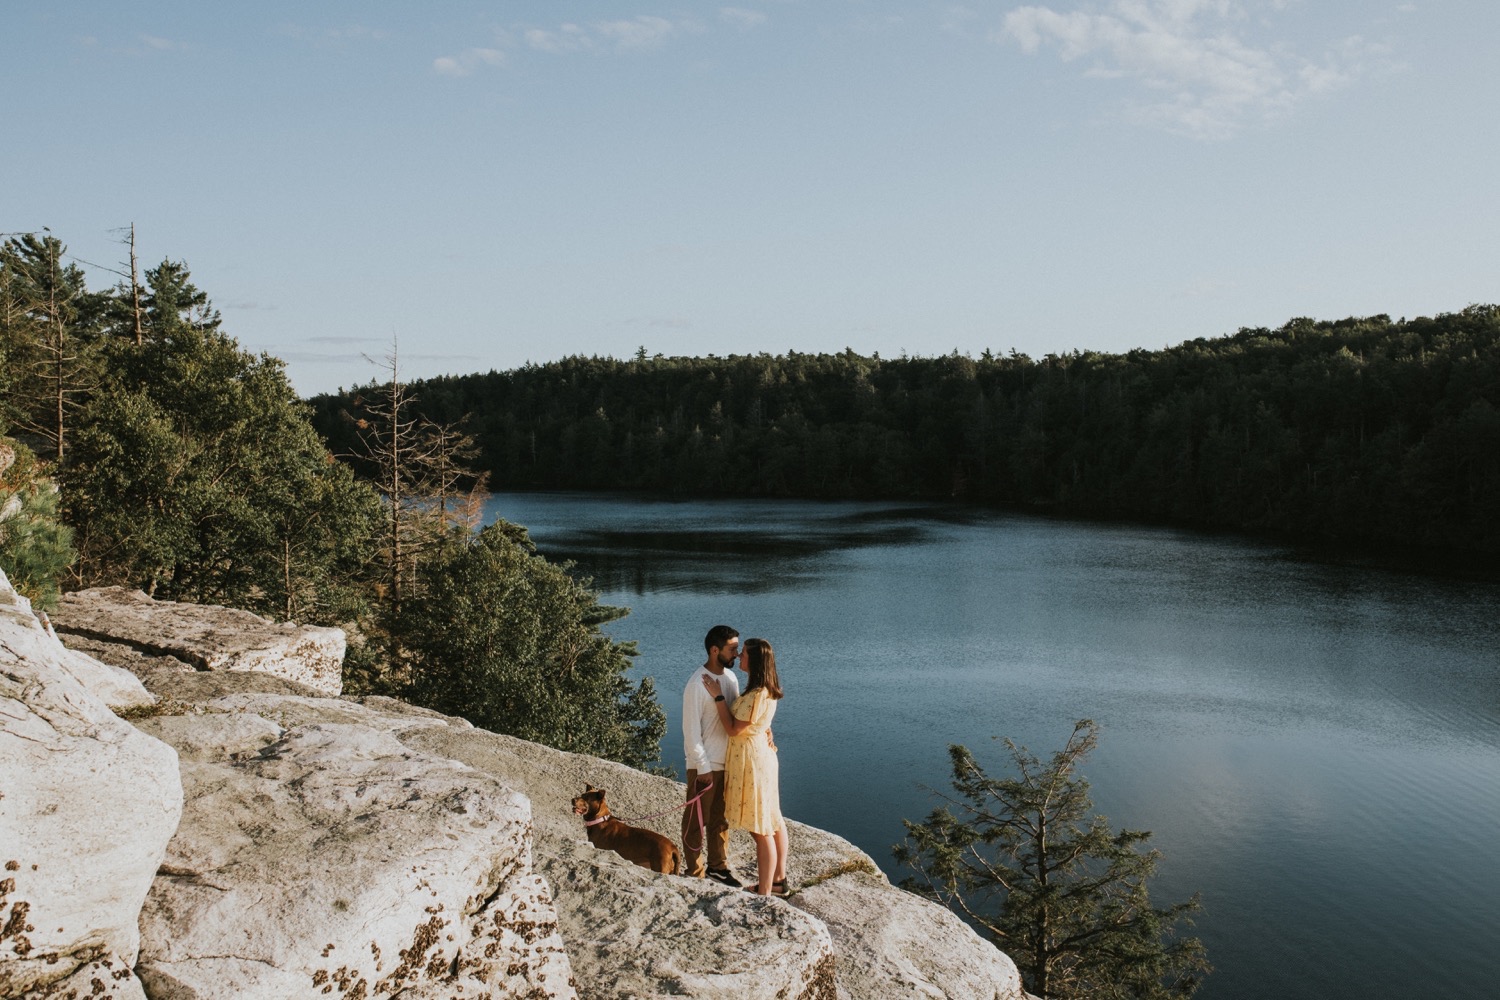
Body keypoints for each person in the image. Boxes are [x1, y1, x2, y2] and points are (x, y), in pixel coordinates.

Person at [703, 637, 788, 896]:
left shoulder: (756, 694)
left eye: (744, 654)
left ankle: (764, 893)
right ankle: (778, 881)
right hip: (759, 757)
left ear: (756, 661)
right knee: (772, 821)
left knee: (760, 828)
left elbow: (732, 729)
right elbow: (758, 721)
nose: (739, 656)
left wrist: (718, 697)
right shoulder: (764, 690)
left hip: (752, 762)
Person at [682, 624, 744, 887]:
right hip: (704, 766)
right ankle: (694, 872)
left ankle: (718, 867)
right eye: (732, 649)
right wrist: (703, 767)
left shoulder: (730, 679)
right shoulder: (697, 684)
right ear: (714, 650)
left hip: (726, 763)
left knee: (721, 819)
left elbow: (736, 718)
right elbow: (691, 732)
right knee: (696, 821)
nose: (737, 654)